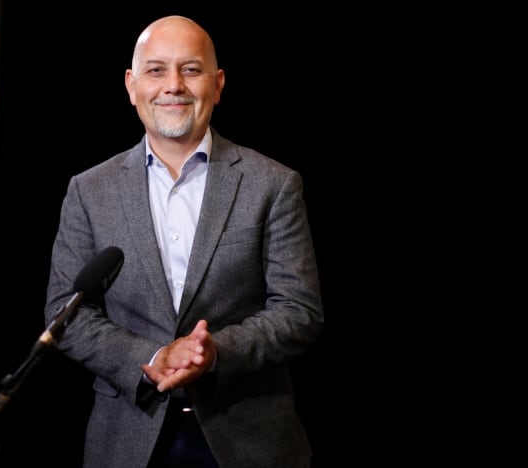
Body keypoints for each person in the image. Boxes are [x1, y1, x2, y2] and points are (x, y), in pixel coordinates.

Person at [43, 14, 324, 468]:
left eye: (190, 69)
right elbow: (66, 314)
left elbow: (299, 310)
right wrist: (152, 355)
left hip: (249, 441)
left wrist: (215, 354)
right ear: (132, 86)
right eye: (156, 70)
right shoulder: (88, 191)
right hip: (127, 443)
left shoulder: (273, 184)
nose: (173, 84)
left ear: (218, 83)